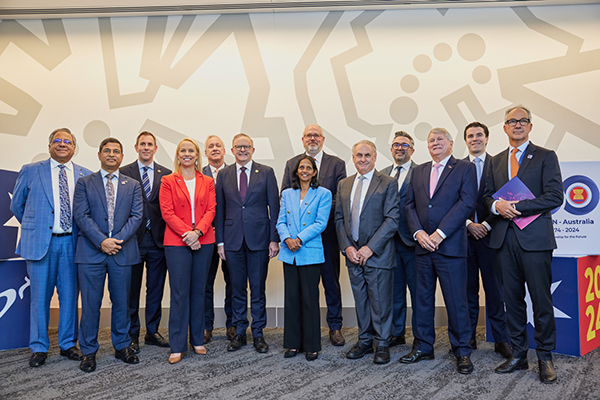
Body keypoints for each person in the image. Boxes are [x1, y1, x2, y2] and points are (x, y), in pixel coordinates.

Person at [483, 106, 563, 384]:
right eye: (511, 121)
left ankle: (545, 357)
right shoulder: (494, 161)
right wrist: (496, 205)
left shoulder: (545, 156)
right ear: (504, 128)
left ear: (530, 126)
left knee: (541, 301)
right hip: (504, 240)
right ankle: (518, 355)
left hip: (535, 241)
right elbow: (485, 197)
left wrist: (517, 206)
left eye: (522, 121)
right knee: (512, 302)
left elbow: (555, 196)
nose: (517, 125)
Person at [11, 128, 92, 368]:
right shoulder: (30, 170)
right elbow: (18, 206)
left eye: (68, 141)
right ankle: (39, 347)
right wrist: (37, 227)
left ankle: (68, 344)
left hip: (72, 243)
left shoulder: (84, 175)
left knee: (69, 297)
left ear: (74, 148)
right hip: (40, 244)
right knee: (39, 298)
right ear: (49, 146)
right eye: (57, 140)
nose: (62, 144)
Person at [400, 128, 477, 375]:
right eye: (431, 140)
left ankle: (462, 351)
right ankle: (423, 347)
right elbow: (409, 205)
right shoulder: (419, 170)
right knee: (422, 300)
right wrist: (419, 234)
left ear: (451, 144)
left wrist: (439, 234)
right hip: (422, 247)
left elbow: (466, 203)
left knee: (456, 302)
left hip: (450, 247)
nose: (435, 143)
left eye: (439, 139)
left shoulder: (464, 168)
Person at [73, 138, 143, 373]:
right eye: (107, 151)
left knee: (122, 303)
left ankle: (122, 346)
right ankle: (89, 351)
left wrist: (116, 242)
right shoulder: (84, 182)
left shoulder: (132, 184)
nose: (112, 154)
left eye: (116, 151)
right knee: (91, 305)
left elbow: (136, 217)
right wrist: (102, 241)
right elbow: (81, 215)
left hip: (122, 253)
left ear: (122, 157)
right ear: (100, 154)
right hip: (91, 252)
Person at [281, 124, 347, 346]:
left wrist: (315, 223)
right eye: (308, 135)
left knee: (330, 282)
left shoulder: (337, 164)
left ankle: (335, 326)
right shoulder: (292, 163)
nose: (312, 138)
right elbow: (286, 196)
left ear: (323, 138)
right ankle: (301, 332)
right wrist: (293, 235)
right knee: (300, 289)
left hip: (325, 235)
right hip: (294, 242)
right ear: (302, 139)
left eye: (316, 135)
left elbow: (340, 198)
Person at [335, 140, 399, 365]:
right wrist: (348, 247)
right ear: (353, 158)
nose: (363, 159)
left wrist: (369, 248)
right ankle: (364, 340)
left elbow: (392, 220)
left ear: (375, 157)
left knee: (380, 302)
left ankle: (382, 343)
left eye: (367, 155)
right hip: (353, 255)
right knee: (361, 300)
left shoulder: (388, 183)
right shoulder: (344, 184)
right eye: (358, 155)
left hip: (377, 254)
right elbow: (339, 218)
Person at [215, 133, 280, 354]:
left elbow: (274, 207)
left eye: (246, 146)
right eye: (238, 147)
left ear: (253, 149)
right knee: (237, 288)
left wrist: (274, 238)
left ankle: (259, 333)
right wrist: (220, 242)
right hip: (232, 241)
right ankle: (240, 331)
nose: (242, 150)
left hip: (260, 239)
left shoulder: (267, 172)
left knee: (258, 288)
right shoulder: (223, 175)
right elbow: (220, 210)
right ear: (231, 150)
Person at [159, 138, 216, 364]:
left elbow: (211, 209)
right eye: (182, 150)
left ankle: (197, 341)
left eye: (191, 150)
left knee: (199, 291)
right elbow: (167, 212)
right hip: (176, 242)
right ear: (177, 155)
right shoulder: (167, 180)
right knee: (180, 293)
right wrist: (188, 234)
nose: (187, 154)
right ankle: (177, 345)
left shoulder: (208, 181)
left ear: (197, 154)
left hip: (204, 241)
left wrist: (198, 233)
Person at [119, 131, 171, 353]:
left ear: (156, 148)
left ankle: (152, 331)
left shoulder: (167, 174)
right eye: (143, 144)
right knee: (132, 290)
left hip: (159, 240)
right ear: (136, 147)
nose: (146, 147)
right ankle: (132, 333)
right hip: (133, 240)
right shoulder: (124, 172)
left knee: (156, 289)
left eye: (150, 144)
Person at [462, 122, 511, 358]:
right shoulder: (457, 167)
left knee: (495, 291)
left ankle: (500, 339)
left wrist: (486, 224)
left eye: (479, 135)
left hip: (492, 236)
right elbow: (451, 201)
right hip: (463, 238)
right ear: (465, 141)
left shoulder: (499, 165)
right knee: (468, 290)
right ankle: (469, 336)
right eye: (470, 136)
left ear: (487, 138)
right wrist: (469, 224)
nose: (475, 139)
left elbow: (504, 199)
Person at [277, 155, 332, 361]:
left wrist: (298, 238)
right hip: (289, 253)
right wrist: (286, 238)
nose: (305, 170)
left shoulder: (323, 194)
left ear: (314, 172)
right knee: (291, 300)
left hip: (309, 252)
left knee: (310, 300)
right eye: (301, 167)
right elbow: (280, 220)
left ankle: (311, 345)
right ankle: (292, 344)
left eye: (309, 167)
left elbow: (321, 223)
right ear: (296, 171)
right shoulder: (287, 194)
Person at [380, 131, 418, 348]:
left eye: (405, 144)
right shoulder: (382, 174)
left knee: (417, 292)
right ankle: (397, 332)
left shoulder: (421, 172)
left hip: (412, 242)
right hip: (388, 243)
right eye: (396, 144)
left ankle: (420, 337)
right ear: (391, 148)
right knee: (394, 292)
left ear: (412, 149)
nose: (400, 148)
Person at [202, 135, 234, 343]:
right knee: (205, 283)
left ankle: (233, 324)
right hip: (204, 236)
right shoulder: (196, 174)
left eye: (218, 146)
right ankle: (206, 326)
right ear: (205, 153)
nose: (215, 149)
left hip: (230, 236)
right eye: (210, 146)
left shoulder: (234, 174)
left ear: (224, 151)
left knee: (233, 281)